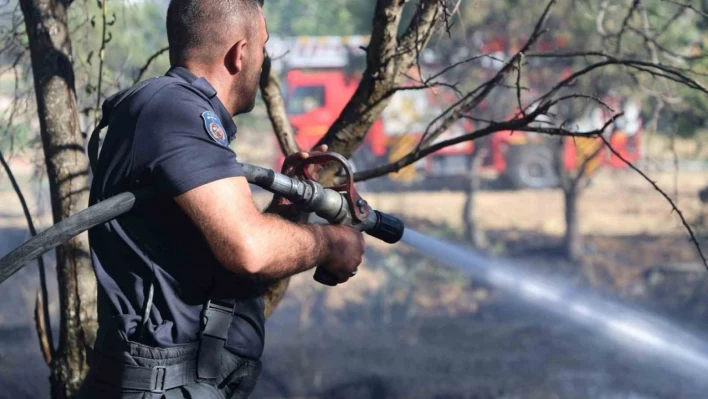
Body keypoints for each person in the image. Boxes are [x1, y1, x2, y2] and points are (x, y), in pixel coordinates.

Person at [77, 0, 365, 397]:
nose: (263, 61)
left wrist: (288, 206)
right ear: (240, 53)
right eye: (262, 48)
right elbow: (248, 249)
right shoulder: (176, 110)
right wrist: (332, 243)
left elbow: (211, 255)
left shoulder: (174, 112)